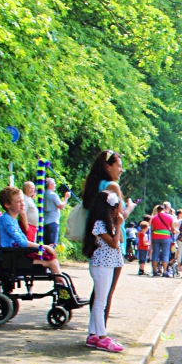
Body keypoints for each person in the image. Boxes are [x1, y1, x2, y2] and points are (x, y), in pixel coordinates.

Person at [82, 150, 135, 326]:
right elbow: (119, 216)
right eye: (118, 166)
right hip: (111, 242)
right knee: (106, 293)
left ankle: (95, 329)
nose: (121, 170)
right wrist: (130, 207)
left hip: (96, 243)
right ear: (108, 166)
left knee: (99, 291)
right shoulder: (112, 187)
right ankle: (99, 331)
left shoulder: (94, 185)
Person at [0, 186, 67, 284]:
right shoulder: (6, 220)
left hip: (14, 255)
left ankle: (64, 289)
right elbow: (22, 243)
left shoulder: (12, 219)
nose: (23, 204)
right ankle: (64, 292)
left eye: (23, 201)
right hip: (11, 258)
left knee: (52, 259)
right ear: (7, 205)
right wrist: (44, 247)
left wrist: (42, 247)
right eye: (19, 202)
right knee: (52, 262)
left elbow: (23, 239)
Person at [83, 191, 125, 352]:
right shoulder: (99, 224)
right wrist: (119, 224)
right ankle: (101, 337)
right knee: (100, 302)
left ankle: (93, 333)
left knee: (101, 301)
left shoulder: (106, 223)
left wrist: (116, 224)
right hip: (101, 265)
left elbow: (119, 239)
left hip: (106, 264)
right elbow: (114, 244)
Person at [42, 178, 71, 246]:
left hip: (45, 222)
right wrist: (66, 197)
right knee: (52, 244)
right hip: (53, 222)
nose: (55, 185)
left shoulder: (44, 194)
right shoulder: (52, 194)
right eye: (54, 183)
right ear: (50, 185)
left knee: (46, 244)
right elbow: (61, 206)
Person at [149, 204, 175, 277]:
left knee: (155, 254)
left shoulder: (153, 218)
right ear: (164, 209)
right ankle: (165, 272)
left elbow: (152, 229)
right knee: (165, 254)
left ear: (157, 210)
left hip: (155, 237)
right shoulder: (170, 217)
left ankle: (154, 271)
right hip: (166, 238)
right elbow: (172, 228)